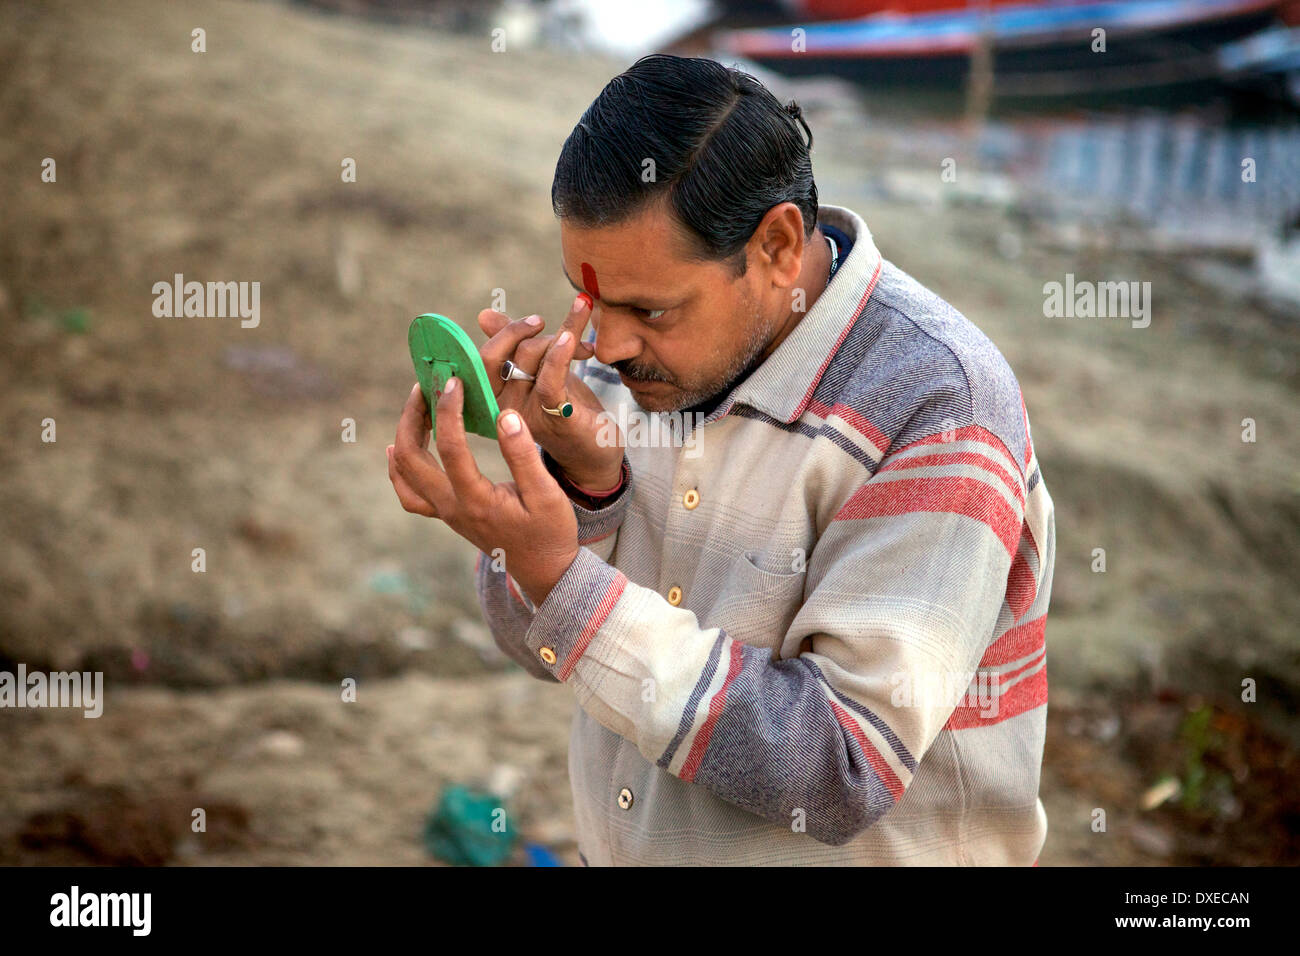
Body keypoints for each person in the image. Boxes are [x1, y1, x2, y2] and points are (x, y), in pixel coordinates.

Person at [387, 54, 1055, 865]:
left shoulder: (940, 406)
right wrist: (585, 489)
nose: (605, 342)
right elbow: (540, 648)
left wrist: (564, 578)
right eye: (589, 297)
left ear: (776, 245)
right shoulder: (626, 370)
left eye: (650, 308)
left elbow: (841, 768)